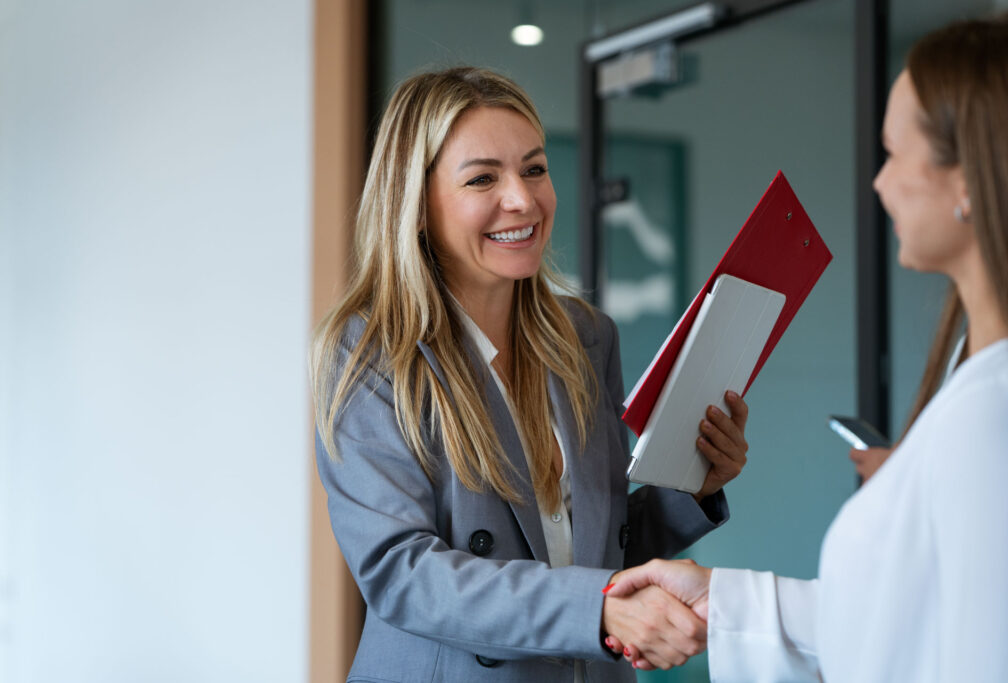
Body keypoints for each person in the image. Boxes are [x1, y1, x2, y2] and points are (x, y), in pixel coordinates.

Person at [604, 13, 1008, 682]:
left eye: (893, 154)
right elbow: (899, 623)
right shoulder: (979, 383)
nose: (879, 183)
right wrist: (722, 599)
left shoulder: (998, 413)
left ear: (968, 175)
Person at [309, 66, 751, 682]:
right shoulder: (369, 353)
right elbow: (401, 573)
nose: (522, 199)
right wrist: (597, 612)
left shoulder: (586, 337)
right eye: (482, 177)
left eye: (535, 169)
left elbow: (597, 545)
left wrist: (692, 489)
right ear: (415, 204)